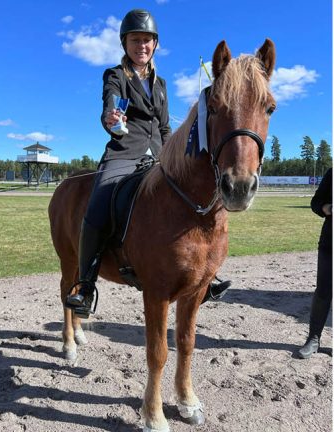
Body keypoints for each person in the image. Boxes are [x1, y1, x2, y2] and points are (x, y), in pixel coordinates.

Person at [65, 9, 230, 317]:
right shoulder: (115, 76)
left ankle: (204, 275)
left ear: (155, 44)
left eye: (147, 40)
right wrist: (112, 120)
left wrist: (173, 155)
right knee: (98, 203)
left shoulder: (161, 84)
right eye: (135, 40)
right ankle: (86, 285)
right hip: (124, 153)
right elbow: (110, 108)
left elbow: (165, 127)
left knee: (194, 198)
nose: (141, 45)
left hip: (159, 155)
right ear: (125, 43)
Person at [296, 168, 333, 359]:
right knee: (324, 291)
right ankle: (313, 339)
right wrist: (329, 208)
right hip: (330, 242)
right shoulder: (332, 173)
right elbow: (316, 203)